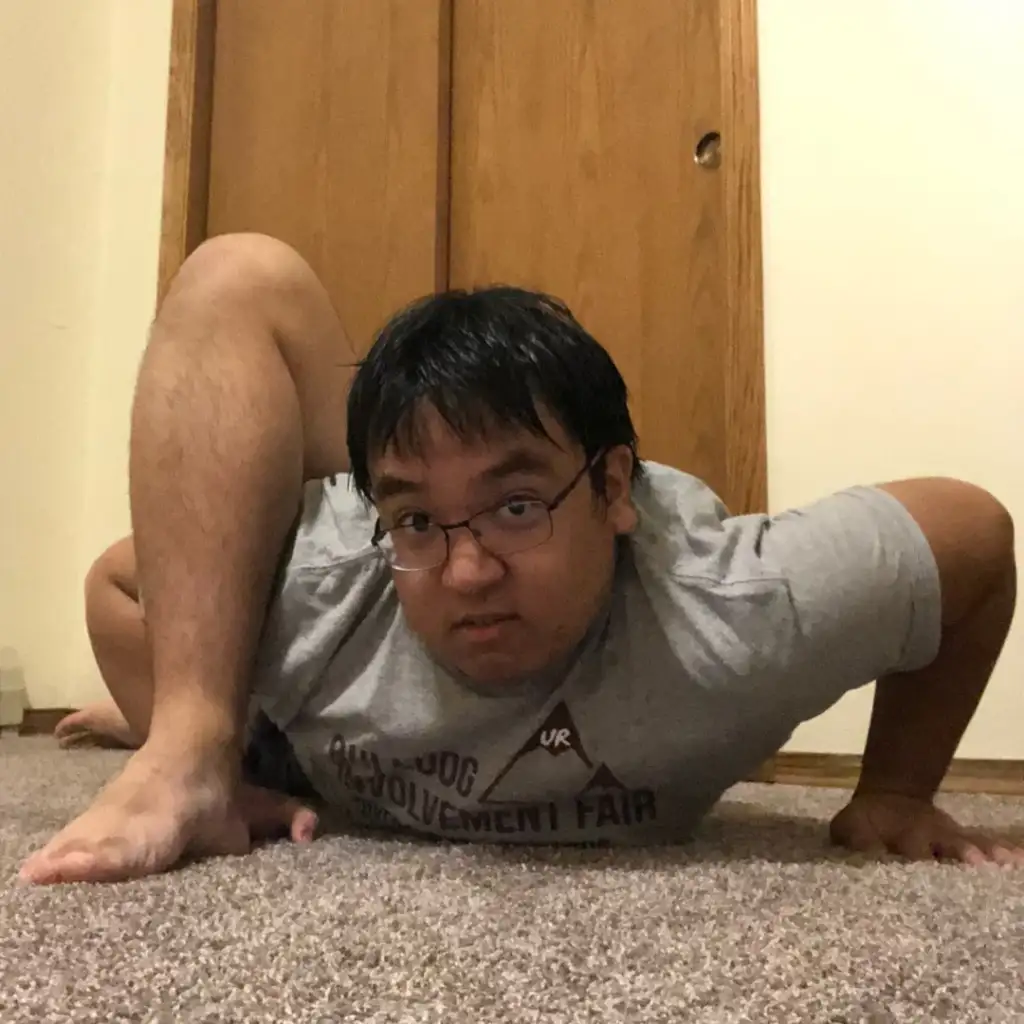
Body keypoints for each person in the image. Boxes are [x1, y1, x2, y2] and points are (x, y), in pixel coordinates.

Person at [20, 233, 1022, 885]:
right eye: (417, 522)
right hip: (303, 702)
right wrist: (190, 722)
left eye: (515, 505)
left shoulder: (730, 613)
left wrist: (896, 788)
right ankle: (197, 743)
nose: (467, 574)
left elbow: (972, 533)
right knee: (237, 271)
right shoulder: (338, 579)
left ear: (614, 490)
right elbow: (120, 583)